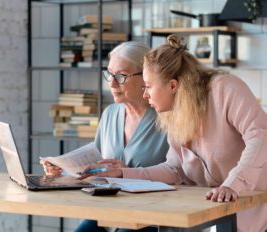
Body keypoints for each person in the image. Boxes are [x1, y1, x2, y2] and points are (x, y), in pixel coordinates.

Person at [80, 34, 267, 232]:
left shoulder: (224, 89)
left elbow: (260, 136)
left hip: (256, 204)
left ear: (172, 85)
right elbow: (174, 169)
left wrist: (232, 184)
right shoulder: (173, 114)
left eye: (148, 86)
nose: (145, 95)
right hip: (219, 212)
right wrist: (122, 174)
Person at [40, 41, 169, 232]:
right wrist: (63, 172)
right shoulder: (110, 114)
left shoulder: (166, 118)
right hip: (108, 213)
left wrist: (130, 173)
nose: (112, 82)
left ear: (145, 77)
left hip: (151, 217)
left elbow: (181, 174)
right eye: (109, 74)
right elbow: (96, 169)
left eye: (121, 76)